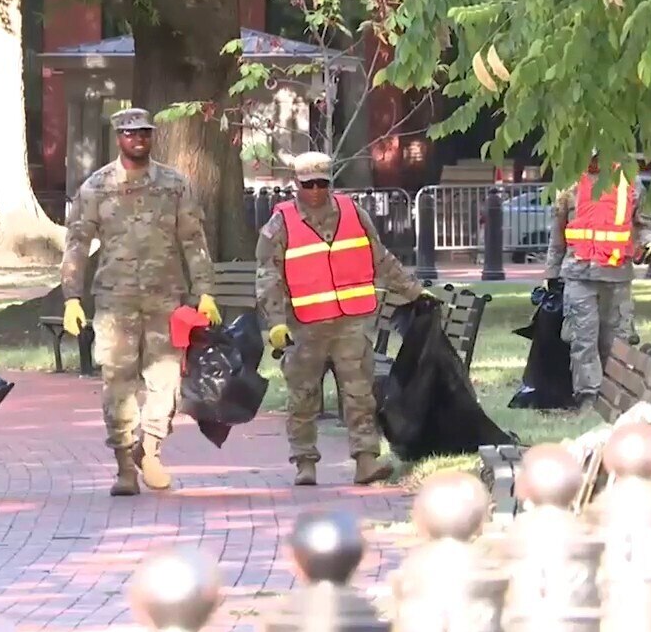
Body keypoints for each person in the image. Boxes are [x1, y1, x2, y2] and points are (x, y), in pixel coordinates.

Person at [60, 107, 220, 497]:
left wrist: (205, 291)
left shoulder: (174, 184)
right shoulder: (97, 187)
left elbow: (193, 240)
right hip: (115, 300)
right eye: (131, 134)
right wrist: (71, 297)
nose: (138, 139)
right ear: (119, 137)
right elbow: (77, 243)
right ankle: (124, 466)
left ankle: (149, 450)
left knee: (165, 380)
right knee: (117, 381)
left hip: (166, 298)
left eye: (145, 133)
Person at [254, 151, 427, 487]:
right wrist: (276, 322)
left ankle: (365, 460)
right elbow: (267, 276)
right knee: (303, 396)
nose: (315, 190)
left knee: (360, 394)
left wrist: (414, 291)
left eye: (322, 183)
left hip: (350, 322)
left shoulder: (353, 213)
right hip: (304, 325)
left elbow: (380, 258)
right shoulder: (281, 223)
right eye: (308, 184)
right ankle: (305, 461)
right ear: (296, 184)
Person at [543, 148, 651, 414]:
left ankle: (615, 396)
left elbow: (644, 225)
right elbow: (558, 233)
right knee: (583, 339)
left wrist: (649, 244)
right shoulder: (569, 182)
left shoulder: (630, 181)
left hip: (616, 276)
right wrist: (551, 273)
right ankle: (588, 398)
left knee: (615, 342)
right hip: (578, 274)